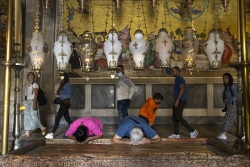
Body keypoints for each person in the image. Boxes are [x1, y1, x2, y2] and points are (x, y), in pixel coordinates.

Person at [168, 66, 198, 138]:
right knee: (174, 117)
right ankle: (176, 134)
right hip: (178, 100)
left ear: (178, 71)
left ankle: (193, 131)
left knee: (178, 117)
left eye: (173, 71)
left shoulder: (180, 79)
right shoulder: (177, 79)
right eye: (172, 71)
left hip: (180, 100)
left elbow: (182, 89)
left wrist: (177, 100)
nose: (172, 73)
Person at [45, 73, 73, 139]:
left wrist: (59, 96)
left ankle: (52, 134)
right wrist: (57, 95)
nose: (59, 78)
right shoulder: (63, 85)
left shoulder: (67, 84)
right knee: (68, 119)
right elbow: (63, 93)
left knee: (57, 118)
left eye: (60, 77)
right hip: (63, 103)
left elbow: (69, 95)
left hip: (65, 104)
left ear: (64, 77)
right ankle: (76, 130)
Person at [22, 72, 46, 137]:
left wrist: (34, 103)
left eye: (31, 75)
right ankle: (27, 132)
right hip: (28, 102)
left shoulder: (35, 84)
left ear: (34, 77)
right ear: (27, 77)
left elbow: (36, 94)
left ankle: (42, 127)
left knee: (34, 116)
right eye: (29, 76)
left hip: (32, 101)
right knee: (27, 117)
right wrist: (25, 102)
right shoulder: (28, 85)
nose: (30, 76)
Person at [217, 73, 237, 140]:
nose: (224, 80)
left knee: (227, 119)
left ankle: (224, 134)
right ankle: (243, 134)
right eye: (223, 78)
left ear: (229, 78)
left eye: (226, 78)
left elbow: (236, 96)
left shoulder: (233, 86)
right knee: (236, 120)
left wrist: (228, 100)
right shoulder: (227, 87)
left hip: (232, 105)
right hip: (229, 105)